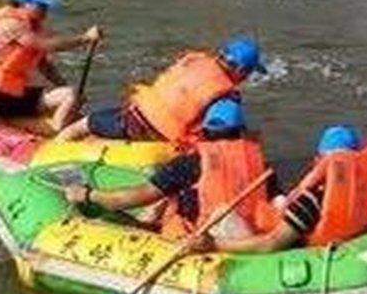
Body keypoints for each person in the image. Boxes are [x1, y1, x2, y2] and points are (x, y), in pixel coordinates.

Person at [63, 97, 279, 242]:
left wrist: (89, 195)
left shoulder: (189, 164)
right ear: (242, 132)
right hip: (249, 235)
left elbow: (135, 197)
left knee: (141, 210)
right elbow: (279, 203)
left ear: (204, 133)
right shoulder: (262, 165)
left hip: (198, 240)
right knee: (167, 200)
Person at [180, 124, 367, 254]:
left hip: (300, 252)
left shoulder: (311, 201)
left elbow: (271, 245)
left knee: (221, 213)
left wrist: (214, 244)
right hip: (345, 242)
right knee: (278, 202)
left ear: (319, 160)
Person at [54, 35, 266, 144]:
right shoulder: (226, 97)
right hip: (157, 136)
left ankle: (54, 145)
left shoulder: (193, 61)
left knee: (78, 126)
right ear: (240, 70)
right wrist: (246, 137)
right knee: (80, 127)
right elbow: (220, 130)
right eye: (247, 72)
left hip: (133, 120)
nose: (246, 77)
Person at [0, 0, 101, 130]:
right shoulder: (10, 24)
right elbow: (44, 45)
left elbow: (44, 65)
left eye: (46, 5)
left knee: (73, 94)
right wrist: (85, 38)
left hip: (21, 94)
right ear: (24, 3)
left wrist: (66, 89)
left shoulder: (34, 27)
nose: (45, 9)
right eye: (41, 5)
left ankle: (56, 134)